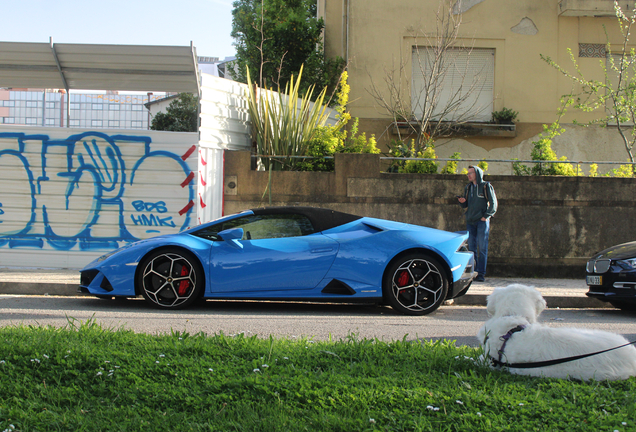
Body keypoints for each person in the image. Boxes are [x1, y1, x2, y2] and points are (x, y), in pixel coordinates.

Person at [457, 165, 497, 282]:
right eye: (468, 173)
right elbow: (466, 205)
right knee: (472, 248)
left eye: (471, 173)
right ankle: (473, 273)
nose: (468, 175)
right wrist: (462, 202)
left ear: (477, 174)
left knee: (482, 248)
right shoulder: (468, 187)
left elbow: (493, 203)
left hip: (481, 222)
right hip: (470, 221)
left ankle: (481, 274)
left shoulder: (486, 186)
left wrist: (486, 216)